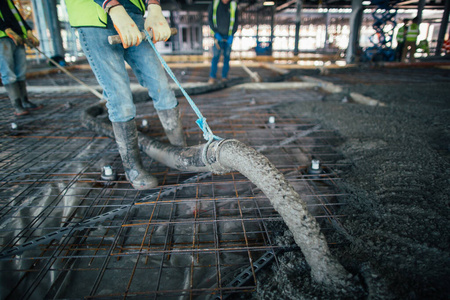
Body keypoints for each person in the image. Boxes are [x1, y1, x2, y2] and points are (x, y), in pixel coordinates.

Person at [65, 0, 186, 190]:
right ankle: (133, 168)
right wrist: (111, 5)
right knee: (120, 99)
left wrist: (154, 6)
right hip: (95, 19)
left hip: (134, 15)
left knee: (162, 87)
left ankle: (181, 152)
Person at [0, 0, 42, 116]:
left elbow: (17, 17)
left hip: (18, 37)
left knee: (20, 72)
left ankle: (25, 101)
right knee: (8, 73)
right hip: (3, 38)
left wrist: (27, 31)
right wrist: (6, 29)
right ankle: (17, 105)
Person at [208, 0, 238, 84]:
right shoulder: (215, 3)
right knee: (216, 57)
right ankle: (212, 77)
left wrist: (232, 34)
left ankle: (224, 77)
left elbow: (236, 22)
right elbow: (210, 19)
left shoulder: (233, 5)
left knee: (227, 57)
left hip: (228, 36)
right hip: (218, 37)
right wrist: (215, 33)